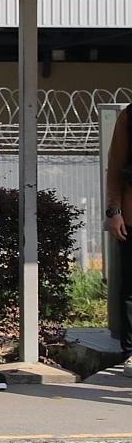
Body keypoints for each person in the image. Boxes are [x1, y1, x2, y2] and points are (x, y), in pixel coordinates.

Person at [101, 105, 129, 376]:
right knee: (130, 288)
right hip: (131, 215)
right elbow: (117, 166)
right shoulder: (130, 117)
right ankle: (131, 353)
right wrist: (114, 211)